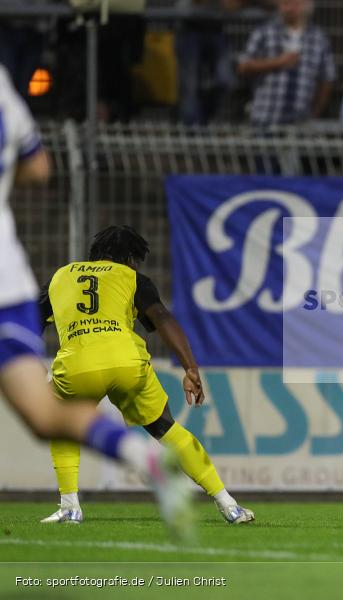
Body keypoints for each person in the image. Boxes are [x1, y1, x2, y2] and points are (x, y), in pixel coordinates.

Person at [0, 66, 193, 536]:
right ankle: (140, 455)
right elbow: (39, 167)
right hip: (9, 280)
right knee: (44, 414)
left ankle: (74, 501)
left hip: (53, 322)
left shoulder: (72, 276)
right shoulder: (2, 85)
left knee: (48, 413)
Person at [37, 226, 255, 526]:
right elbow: (162, 317)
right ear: (129, 258)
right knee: (166, 428)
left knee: (61, 423)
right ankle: (228, 504)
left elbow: (30, 322)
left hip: (77, 366)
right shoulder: (131, 277)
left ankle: (70, 506)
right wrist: (190, 367)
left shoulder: (60, 277)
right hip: (127, 363)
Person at [237, 0, 336, 126]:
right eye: (285, 3)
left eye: (294, 3)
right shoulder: (264, 32)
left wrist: (314, 113)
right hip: (265, 119)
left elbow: (327, 79)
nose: (289, 8)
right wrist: (277, 63)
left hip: (300, 124)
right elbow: (243, 66)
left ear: (306, 5)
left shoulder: (319, 38)